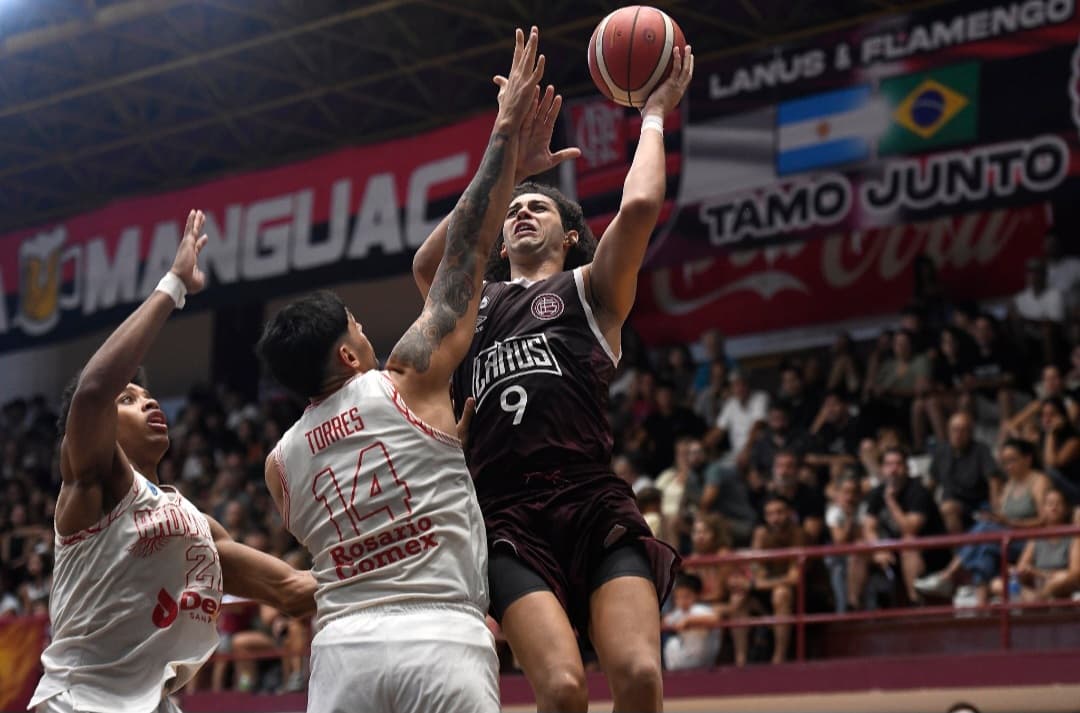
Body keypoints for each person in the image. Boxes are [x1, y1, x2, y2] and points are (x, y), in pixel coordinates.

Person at [256, 27, 545, 713]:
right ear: (350, 355)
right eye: (358, 324)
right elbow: (471, 251)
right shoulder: (409, 374)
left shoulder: (278, 464)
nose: (369, 330)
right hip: (439, 632)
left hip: (341, 654)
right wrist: (505, 135)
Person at [411, 40, 694, 713]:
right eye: (512, 212)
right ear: (499, 240)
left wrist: (654, 112)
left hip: (591, 498)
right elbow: (431, 264)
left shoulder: (589, 291)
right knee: (563, 688)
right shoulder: (469, 307)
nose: (521, 213)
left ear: (571, 235)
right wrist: (504, 169)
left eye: (539, 207)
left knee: (639, 677)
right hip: (506, 513)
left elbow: (640, 208)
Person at [31, 210, 317, 713]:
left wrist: (405, 563)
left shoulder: (199, 528)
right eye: (129, 399)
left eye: (147, 395)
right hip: (79, 702)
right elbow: (94, 390)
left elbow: (292, 590)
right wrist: (175, 285)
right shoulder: (92, 489)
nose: (146, 402)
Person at [916, 439, 1050, 605]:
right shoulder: (1009, 486)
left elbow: (1046, 520)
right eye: (1005, 462)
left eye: (1012, 460)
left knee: (985, 530)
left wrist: (1011, 523)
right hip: (1008, 538)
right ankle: (981, 606)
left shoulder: (1039, 481)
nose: (1008, 466)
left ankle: (948, 574)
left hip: (1030, 541)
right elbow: (1002, 517)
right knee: (985, 550)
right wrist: (995, 517)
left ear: (1027, 459)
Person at [662, 573, 721, 671]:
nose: (682, 601)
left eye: (686, 596)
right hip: (686, 657)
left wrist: (688, 621)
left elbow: (714, 618)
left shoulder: (699, 609)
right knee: (671, 643)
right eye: (678, 597)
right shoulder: (679, 612)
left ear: (696, 596)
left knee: (672, 644)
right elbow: (664, 622)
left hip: (705, 657)